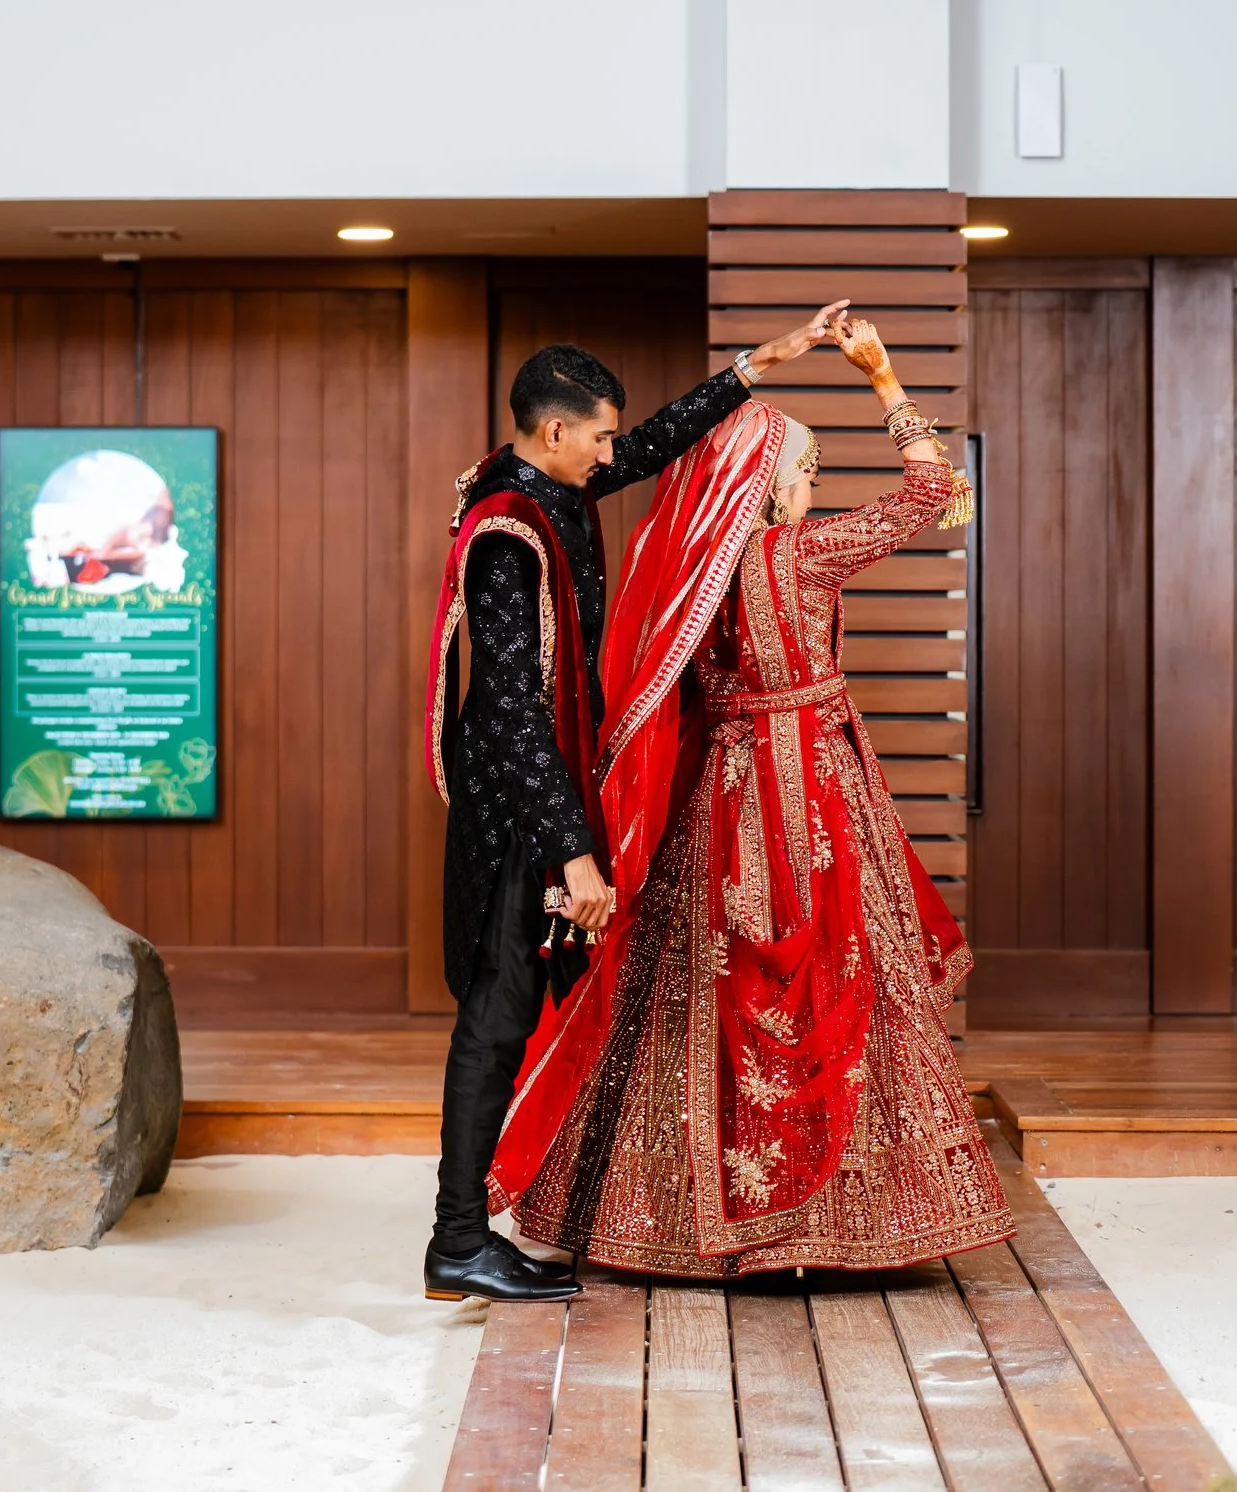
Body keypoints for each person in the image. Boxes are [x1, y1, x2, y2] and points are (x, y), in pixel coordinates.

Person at [488, 315, 1014, 1276]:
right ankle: (830, 1223)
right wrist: (884, 377)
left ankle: (677, 1219)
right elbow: (935, 492)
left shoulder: (696, 572)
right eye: (805, 472)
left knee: (695, 989)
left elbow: (661, 703)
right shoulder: (801, 554)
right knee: (844, 979)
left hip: (723, 802)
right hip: (811, 789)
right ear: (771, 483)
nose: (812, 488)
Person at [421, 305, 849, 1303]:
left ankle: (471, 1232)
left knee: (513, 1015)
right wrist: (573, 853)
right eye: (601, 434)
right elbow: (516, 710)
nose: (615, 450)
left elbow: (658, 443)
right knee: (494, 1019)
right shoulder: (504, 534)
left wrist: (755, 367)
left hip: (543, 800)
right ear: (554, 430)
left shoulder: (551, 484)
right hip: (512, 814)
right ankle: (456, 1242)